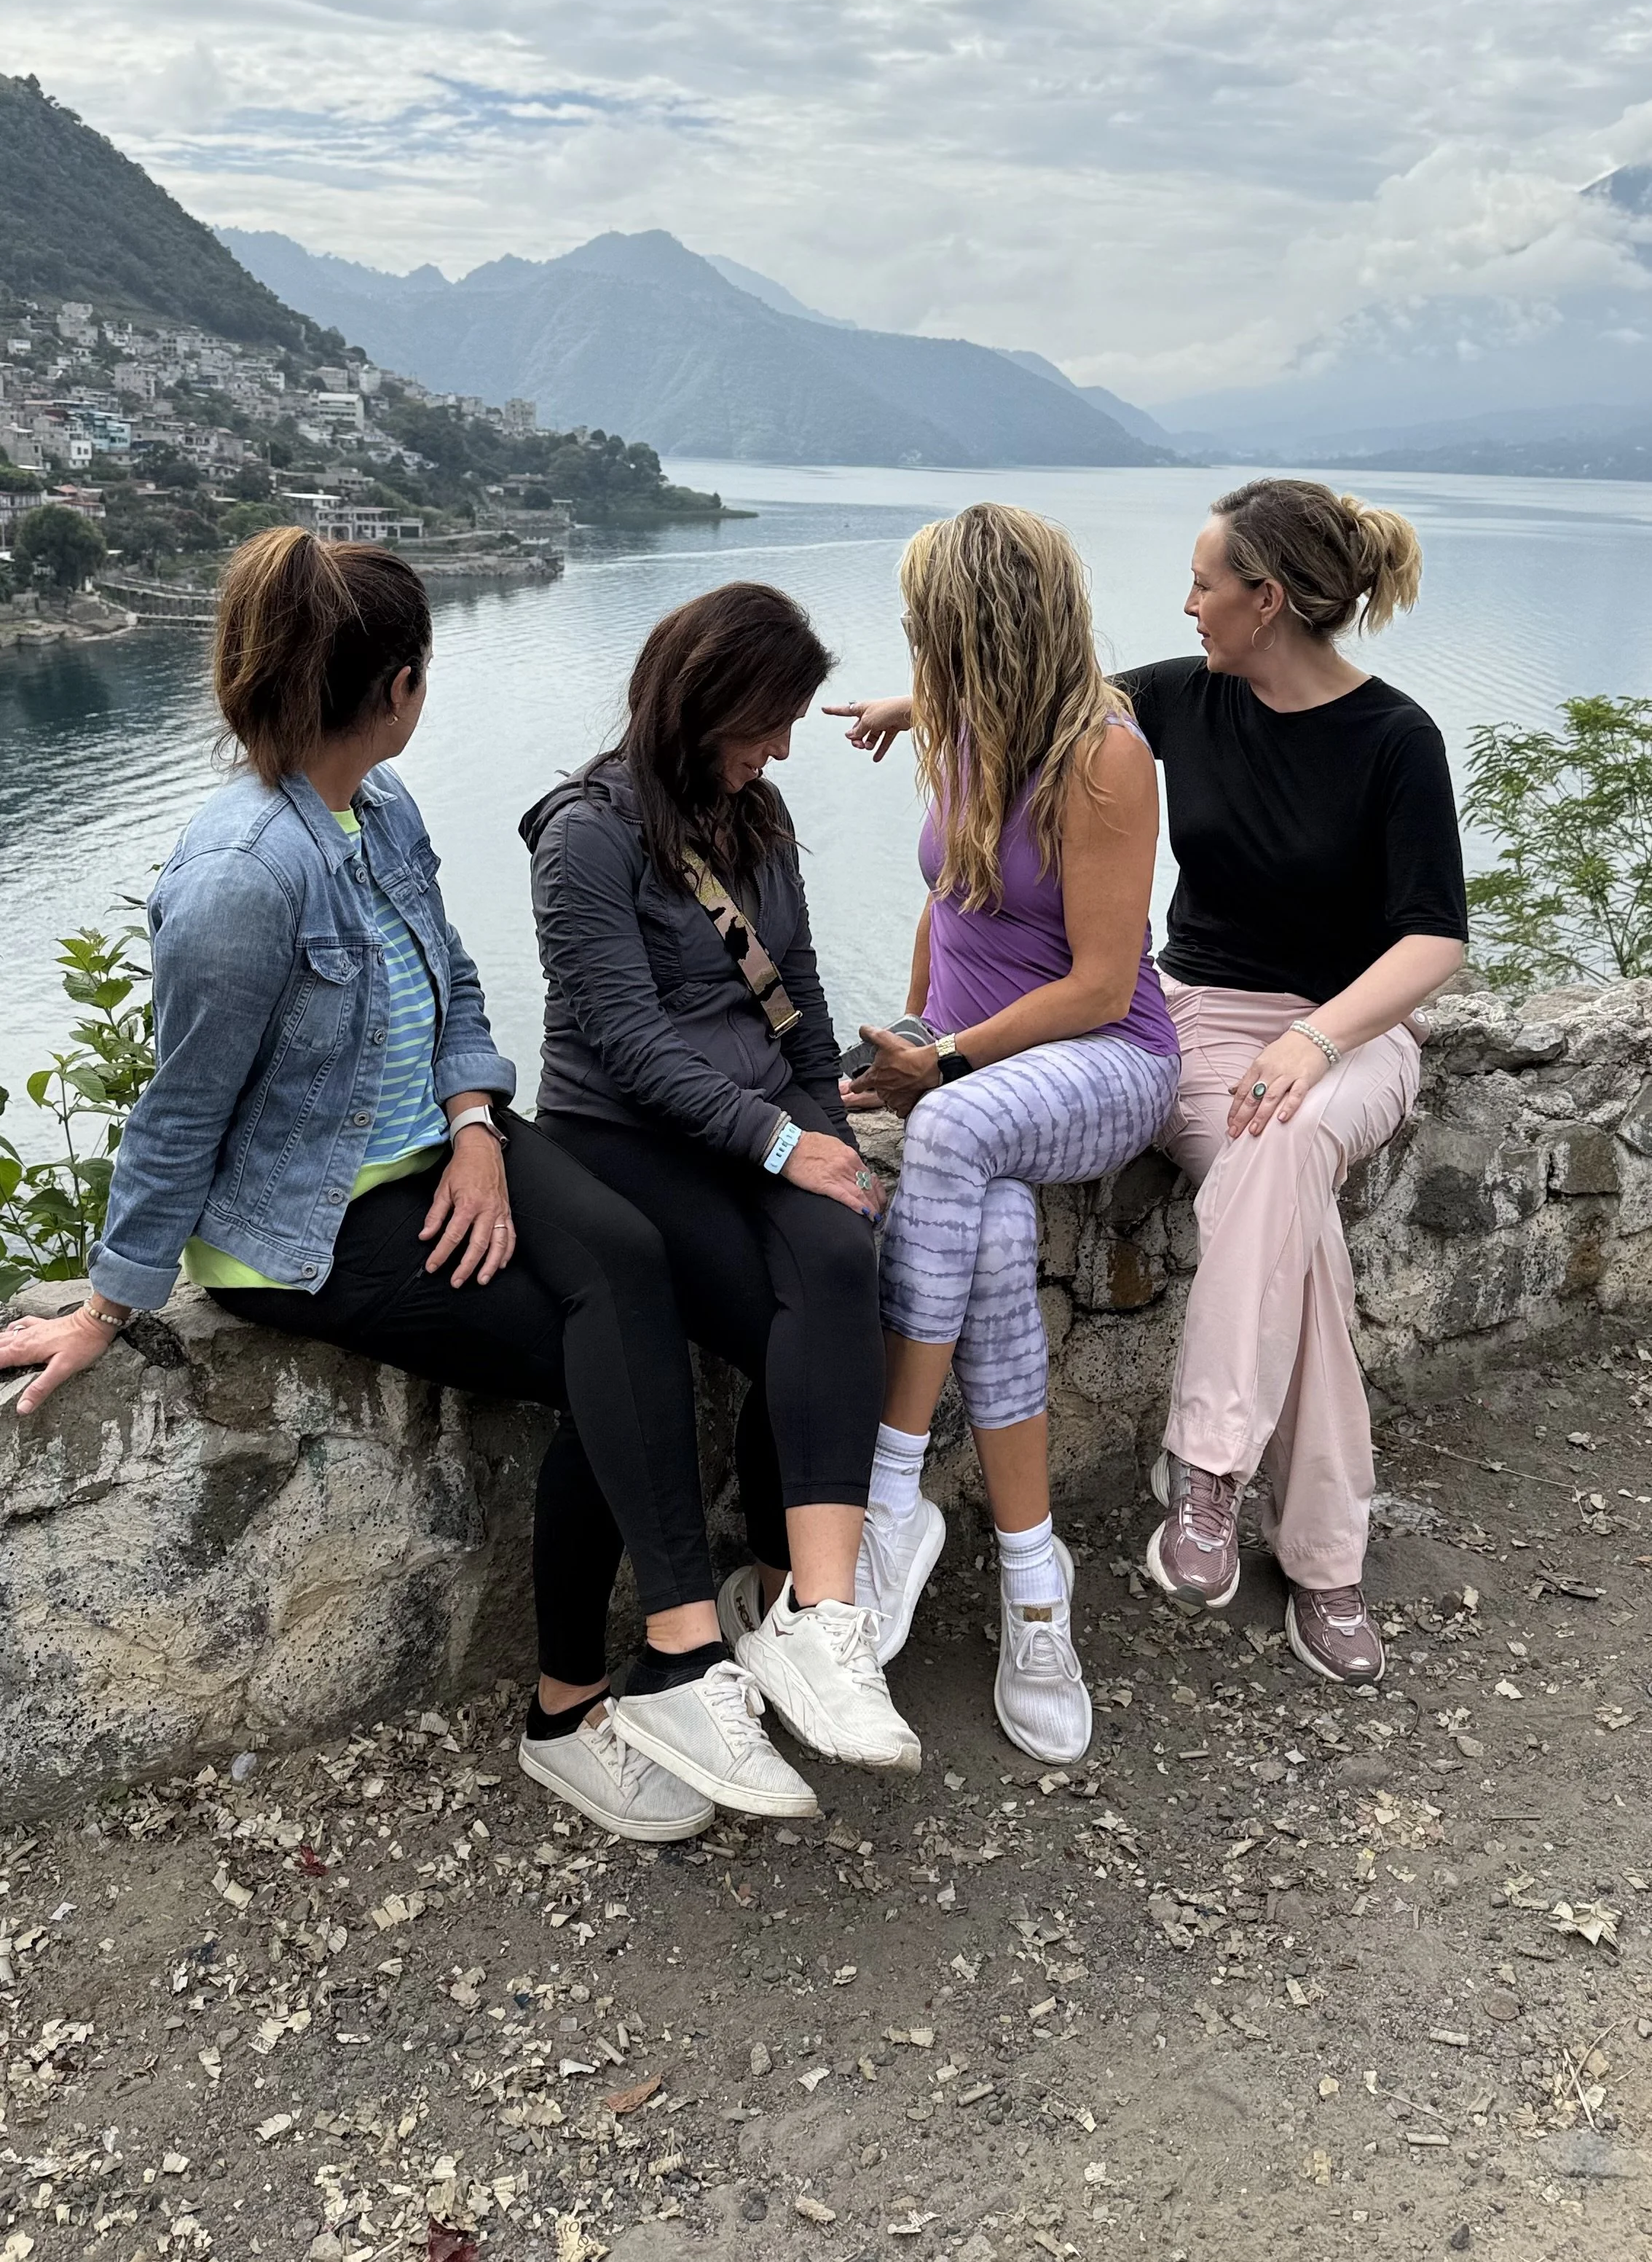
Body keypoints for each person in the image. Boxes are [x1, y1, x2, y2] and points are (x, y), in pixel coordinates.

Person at [0, 527, 817, 1839]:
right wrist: (107, 1306)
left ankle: (672, 1664)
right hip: (314, 1218)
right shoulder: (238, 879)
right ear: (396, 688)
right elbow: (179, 1111)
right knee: (593, 1346)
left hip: (446, 1148)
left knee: (632, 1272)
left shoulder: (380, 811)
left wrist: (481, 1122)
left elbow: (455, 982)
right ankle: (581, 1703)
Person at [838, 479, 1468, 1689]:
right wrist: (911, 705)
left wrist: (1322, 1039)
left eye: (1204, 584)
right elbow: (1030, 687)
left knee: (1280, 1147)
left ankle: (1209, 1471)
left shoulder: (1395, 739)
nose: (1184, 606)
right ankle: (1327, 1563)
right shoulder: (1195, 696)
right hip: (1203, 1022)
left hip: (1349, 1036)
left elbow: (1434, 940)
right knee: (1295, 1233)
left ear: (1265, 600)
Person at [522, 581, 920, 1777]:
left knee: (845, 1260)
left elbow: (794, 998)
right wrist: (782, 1144)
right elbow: (628, 1044)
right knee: (797, 1319)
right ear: (698, 704)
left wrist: (819, 1132)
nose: (780, 748)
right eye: (763, 722)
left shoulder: (761, 815)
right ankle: (768, 1588)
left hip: (753, 1123)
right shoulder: (585, 834)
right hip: (628, 1139)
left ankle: (817, 1622)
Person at [832, 505, 1181, 1762]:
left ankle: (890, 1500)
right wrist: (923, 1024)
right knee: (979, 1209)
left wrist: (951, 1061)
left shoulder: (1106, 758)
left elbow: (1098, 983)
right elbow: (947, 901)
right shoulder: (970, 726)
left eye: (931, 626)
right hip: (977, 1086)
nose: (918, 642)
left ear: (984, 627)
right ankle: (1038, 1586)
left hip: (1107, 1066)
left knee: (954, 1135)